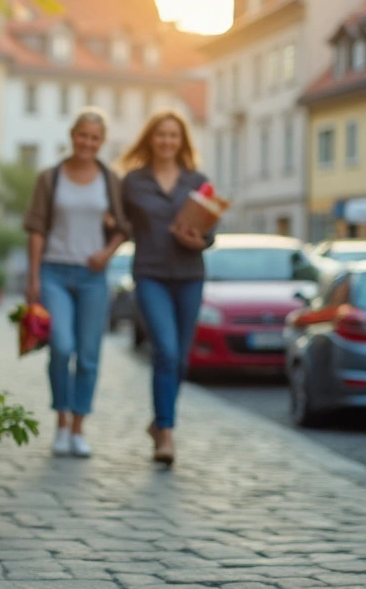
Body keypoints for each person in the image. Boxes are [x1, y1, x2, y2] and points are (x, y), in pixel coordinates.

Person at [23, 109, 130, 458]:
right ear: (72, 136)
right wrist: (34, 276)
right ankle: (61, 421)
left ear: (102, 141)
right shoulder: (50, 178)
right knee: (61, 346)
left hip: (92, 276)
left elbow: (123, 228)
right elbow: (37, 228)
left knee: (88, 356)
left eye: (95, 138)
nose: (88, 142)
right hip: (54, 271)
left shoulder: (110, 179)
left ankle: (80, 428)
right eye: (82, 135)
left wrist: (107, 253)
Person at [114, 109, 213, 466]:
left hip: (190, 275)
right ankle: (167, 435)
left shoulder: (197, 181)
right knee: (166, 352)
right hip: (151, 274)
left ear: (182, 141)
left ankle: (159, 422)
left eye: (174, 135)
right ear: (150, 139)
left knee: (181, 361)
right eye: (161, 135)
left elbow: (209, 233)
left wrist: (195, 240)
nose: (167, 141)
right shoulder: (133, 182)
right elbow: (118, 223)